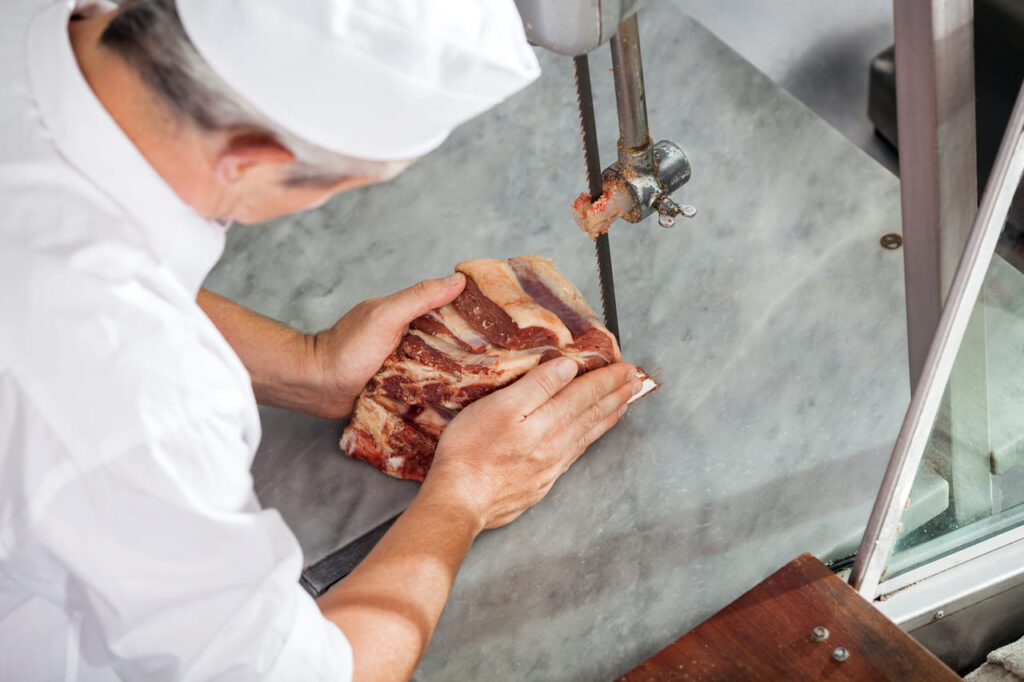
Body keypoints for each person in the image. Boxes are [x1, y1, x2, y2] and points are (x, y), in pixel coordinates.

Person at [0, 0, 641, 680]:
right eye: (350, 181)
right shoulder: (142, 405)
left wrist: (302, 366)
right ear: (248, 164)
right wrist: (466, 493)